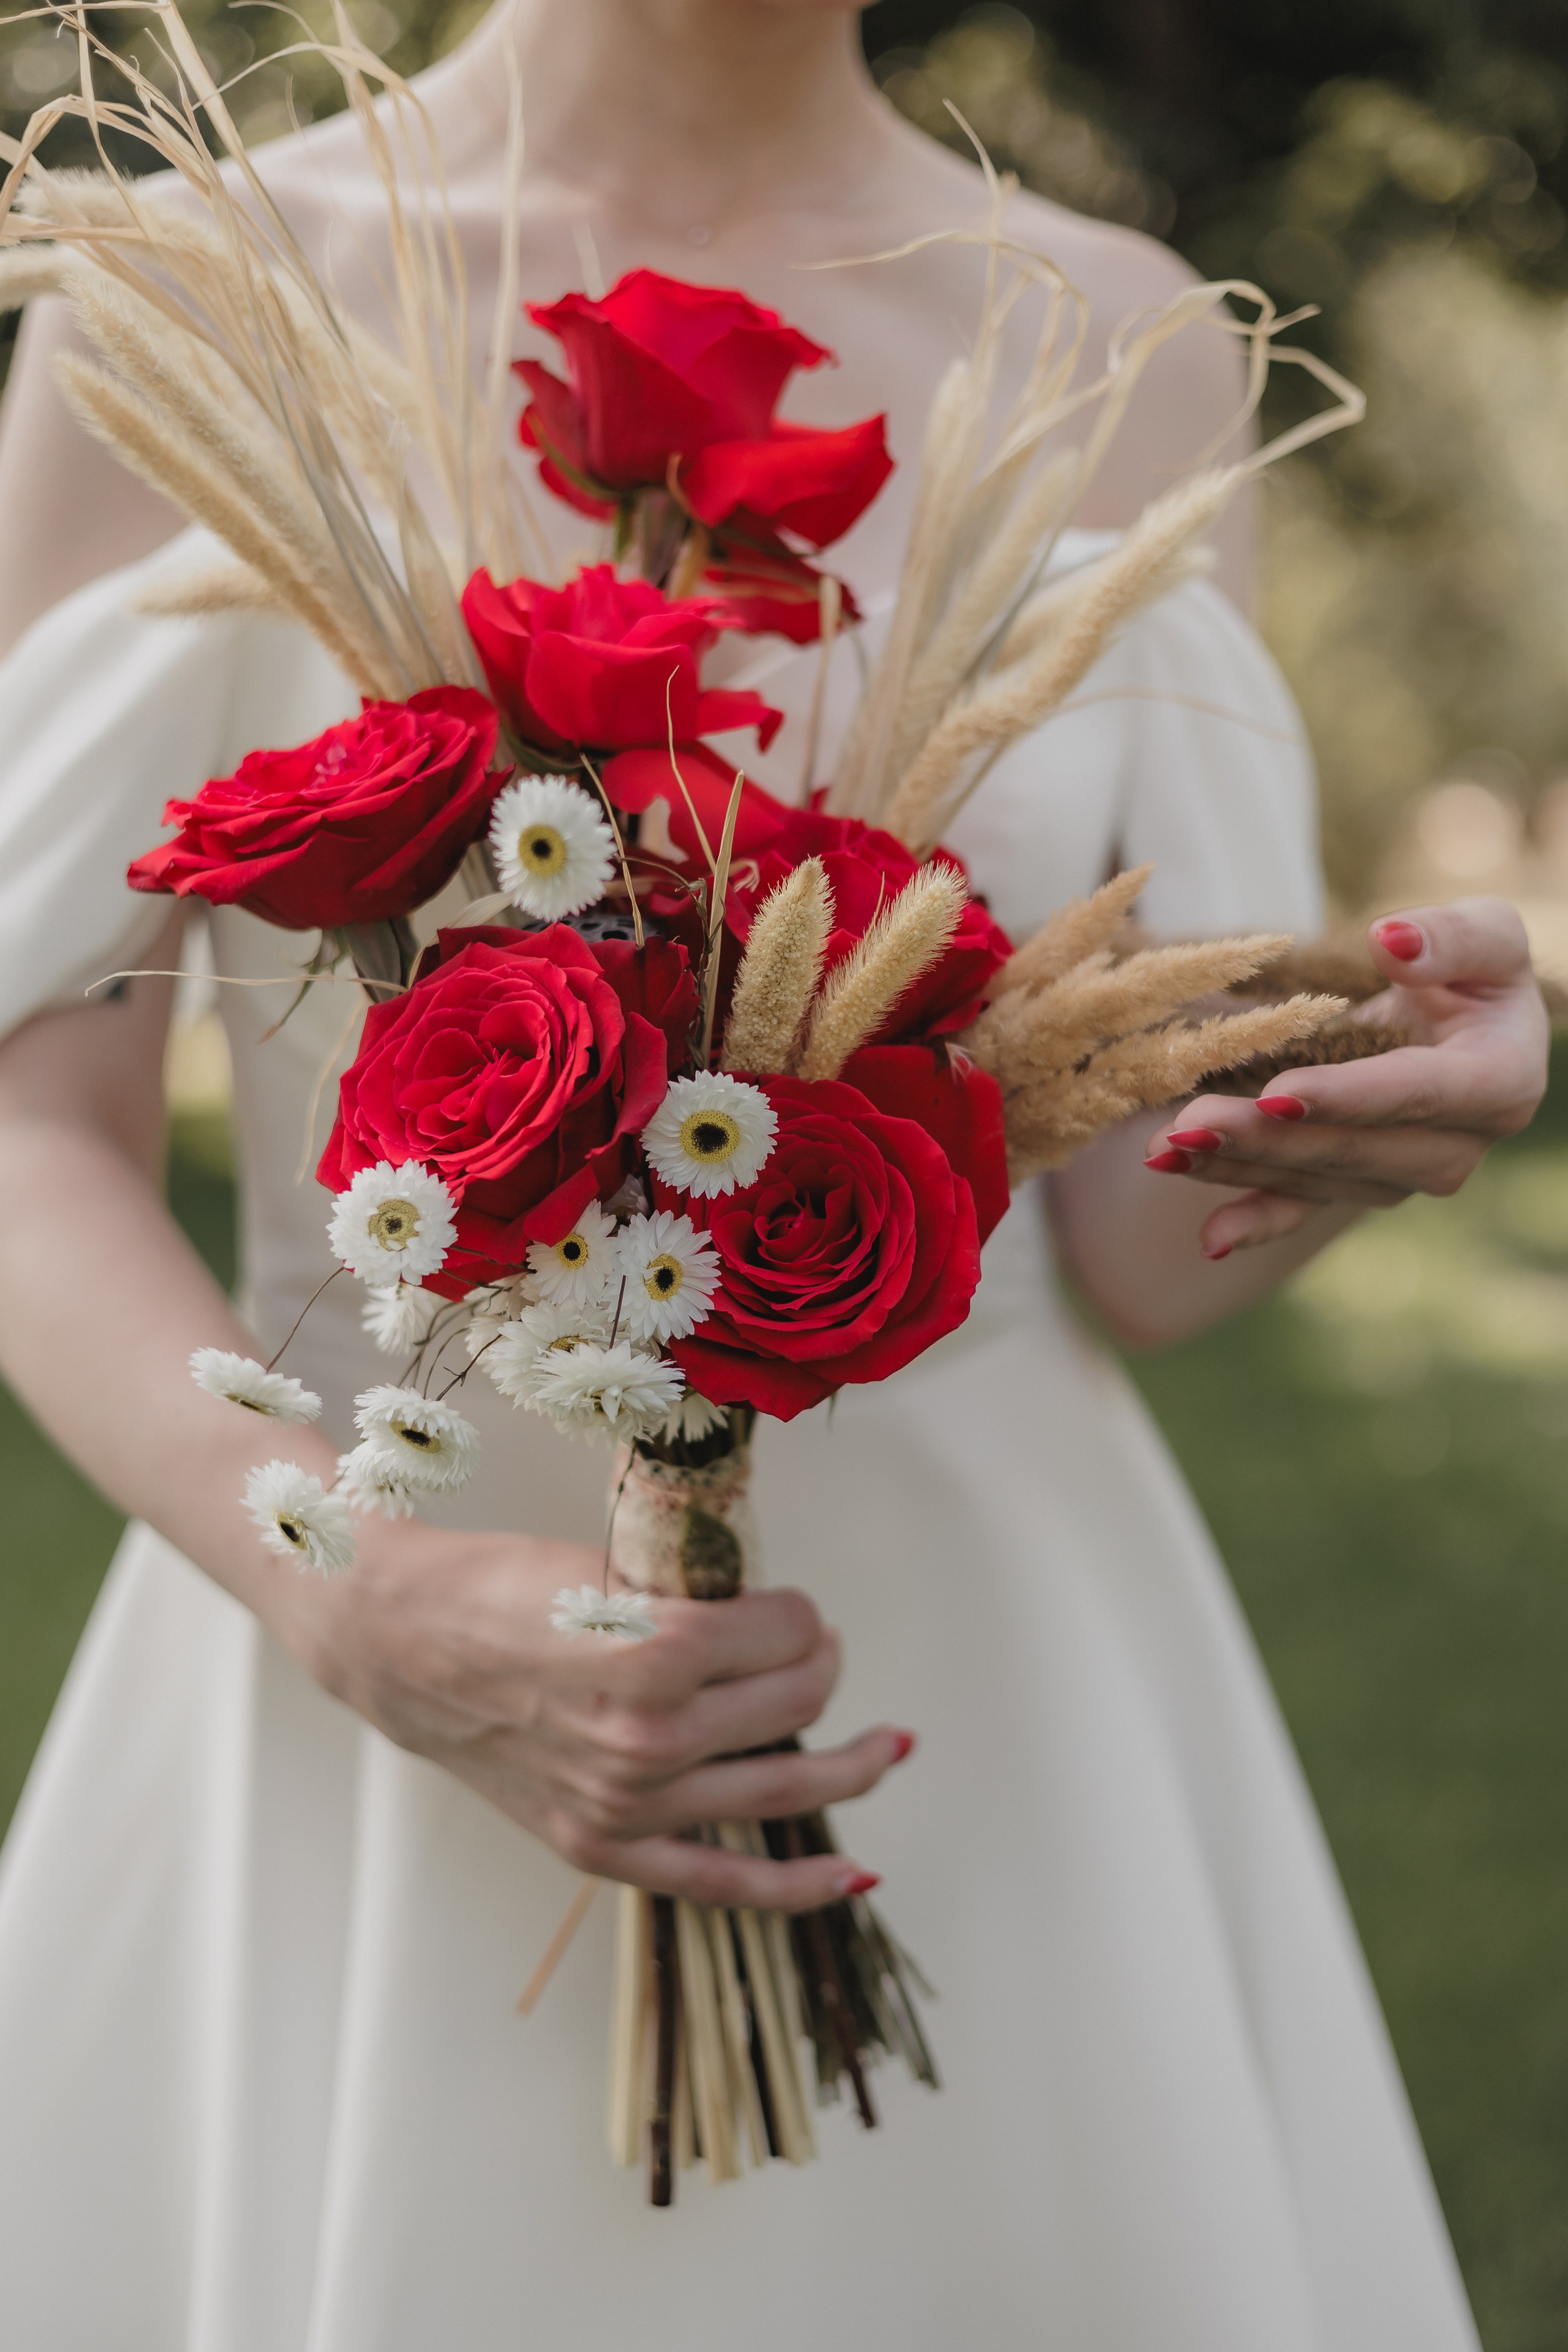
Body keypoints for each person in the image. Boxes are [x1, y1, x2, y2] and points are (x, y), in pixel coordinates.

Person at [0, 3, 1547, 2345]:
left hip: (993, 1711)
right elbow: (27, 1111)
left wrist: (1371, 1109)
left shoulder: (1123, 343)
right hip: (356, 1674)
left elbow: (1131, 1243)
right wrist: (347, 1598)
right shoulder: (202, 294)